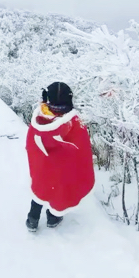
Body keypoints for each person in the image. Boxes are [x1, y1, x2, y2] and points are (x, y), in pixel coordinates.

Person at [24, 81, 95, 231]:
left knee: (41, 186)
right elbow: (81, 152)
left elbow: (31, 145)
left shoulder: (39, 119)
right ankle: (53, 218)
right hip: (61, 172)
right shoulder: (75, 124)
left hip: (42, 169)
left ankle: (32, 219)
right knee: (59, 187)